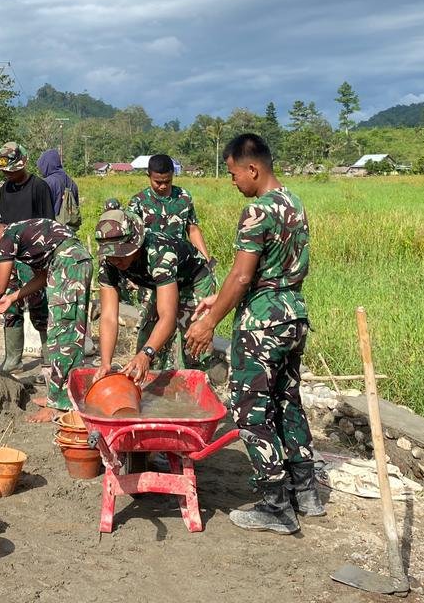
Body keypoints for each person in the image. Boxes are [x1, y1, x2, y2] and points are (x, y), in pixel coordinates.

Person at [185, 134, 320, 534]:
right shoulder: (293, 202)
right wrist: (220, 298)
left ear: (253, 169)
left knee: (249, 409)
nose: (232, 181)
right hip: (292, 314)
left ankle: (275, 504)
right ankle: (305, 490)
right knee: (286, 399)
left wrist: (209, 322)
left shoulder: (257, 211)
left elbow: (242, 276)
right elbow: (266, 272)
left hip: (262, 322)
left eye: (233, 174)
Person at [0, 214, 92, 423]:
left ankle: (59, 406)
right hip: (69, 263)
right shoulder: (22, 235)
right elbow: (40, 278)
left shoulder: (7, 237)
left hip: (69, 265)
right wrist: (12, 298)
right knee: (60, 334)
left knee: (64, 335)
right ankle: (59, 396)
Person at [94, 208, 217, 378]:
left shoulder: (159, 254)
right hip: (161, 285)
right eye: (111, 254)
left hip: (194, 281)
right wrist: (106, 363)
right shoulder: (108, 264)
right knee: (145, 342)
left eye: (121, 253)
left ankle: (197, 384)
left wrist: (147, 353)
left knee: (192, 345)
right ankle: (152, 385)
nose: (116, 260)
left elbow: (168, 316)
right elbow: (108, 316)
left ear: (136, 243)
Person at [0, 142, 55, 370]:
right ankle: (13, 359)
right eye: (6, 171)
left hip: (33, 258)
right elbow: (2, 224)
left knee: (39, 304)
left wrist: (44, 260)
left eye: (13, 170)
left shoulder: (39, 187)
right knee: (9, 304)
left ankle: (49, 356)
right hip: (10, 257)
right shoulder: (4, 190)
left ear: (24, 163)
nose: (9, 175)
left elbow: (49, 225)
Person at [127, 153, 209, 258]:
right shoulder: (138, 201)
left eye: (167, 181)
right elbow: (131, 236)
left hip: (179, 258)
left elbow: (192, 229)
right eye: (158, 182)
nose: (163, 186)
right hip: (149, 259)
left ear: (172, 174)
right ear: (149, 176)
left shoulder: (183, 197)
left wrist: (206, 259)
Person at [37, 148, 80, 230]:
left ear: (46, 165)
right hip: (70, 229)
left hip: (52, 230)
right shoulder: (72, 183)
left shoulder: (47, 183)